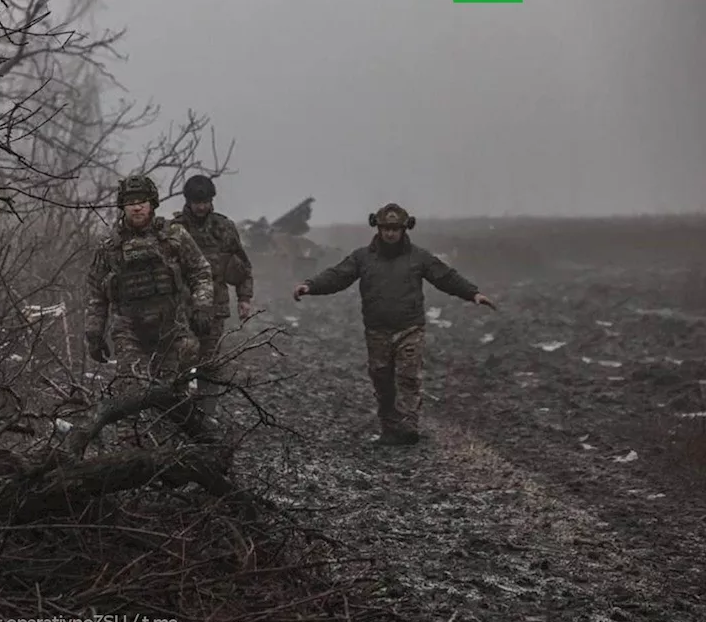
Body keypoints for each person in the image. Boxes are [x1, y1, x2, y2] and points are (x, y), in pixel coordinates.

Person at [292, 203, 496, 446]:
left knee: (408, 377)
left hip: (410, 328)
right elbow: (338, 276)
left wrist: (473, 293)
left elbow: (445, 277)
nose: (390, 233)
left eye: (395, 229)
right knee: (382, 379)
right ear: (377, 228)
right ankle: (389, 429)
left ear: (404, 229)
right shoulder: (362, 258)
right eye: (385, 228)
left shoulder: (419, 257)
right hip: (377, 330)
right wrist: (311, 286)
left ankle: (409, 426)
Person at [75, 174, 217, 455]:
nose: (136, 207)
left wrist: (201, 307)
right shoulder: (109, 247)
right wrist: (94, 333)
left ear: (152, 204)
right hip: (129, 329)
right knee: (130, 391)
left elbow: (201, 272)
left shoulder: (174, 237)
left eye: (141, 201)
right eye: (130, 202)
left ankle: (173, 453)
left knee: (169, 396)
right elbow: (96, 295)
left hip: (170, 329)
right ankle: (128, 455)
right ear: (122, 207)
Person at [170, 174, 254, 414]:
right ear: (188, 201)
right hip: (180, 306)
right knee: (181, 358)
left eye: (205, 202)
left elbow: (242, 266)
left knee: (210, 361)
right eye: (197, 203)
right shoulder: (175, 230)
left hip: (215, 306)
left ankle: (207, 414)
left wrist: (244, 298)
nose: (201, 207)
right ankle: (178, 410)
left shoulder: (223, 228)